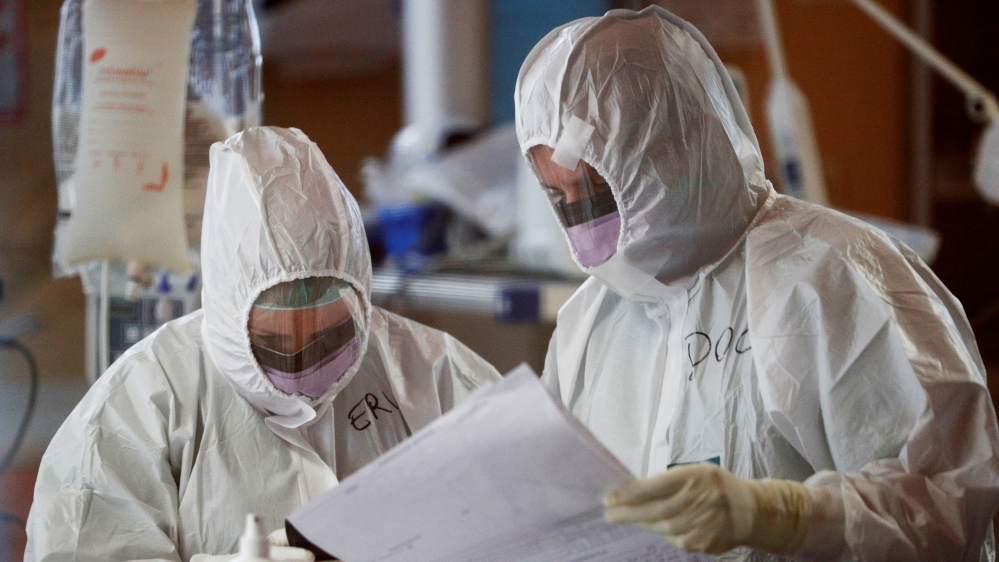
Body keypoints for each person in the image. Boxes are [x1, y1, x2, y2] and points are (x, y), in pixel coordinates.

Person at [516, 6, 999, 561]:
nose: (584, 221)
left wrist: (783, 516)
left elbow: (946, 507)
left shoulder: (840, 278)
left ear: (674, 145)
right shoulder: (589, 323)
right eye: (562, 198)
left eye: (596, 189)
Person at [24, 127, 501, 561]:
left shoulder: (431, 373)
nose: (304, 365)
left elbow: (525, 516)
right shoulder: (138, 408)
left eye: (330, 336)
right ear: (230, 317)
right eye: (274, 342)